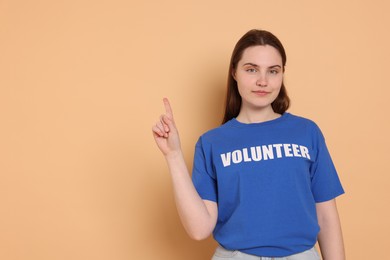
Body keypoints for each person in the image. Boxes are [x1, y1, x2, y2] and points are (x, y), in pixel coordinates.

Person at [152, 29, 345, 260]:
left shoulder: (307, 132)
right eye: (251, 69)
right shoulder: (211, 143)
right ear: (234, 72)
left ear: (282, 74)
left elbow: (326, 216)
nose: (263, 81)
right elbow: (200, 228)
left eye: (273, 71)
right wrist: (173, 156)